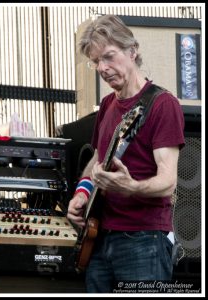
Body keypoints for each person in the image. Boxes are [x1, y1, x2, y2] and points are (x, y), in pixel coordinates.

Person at [67, 15, 185, 293]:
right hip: (100, 237)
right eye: (96, 62)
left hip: (144, 241)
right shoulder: (108, 104)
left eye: (109, 57)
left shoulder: (162, 104)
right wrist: (82, 193)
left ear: (132, 51)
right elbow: (96, 160)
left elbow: (168, 181)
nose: (102, 68)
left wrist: (131, 187)